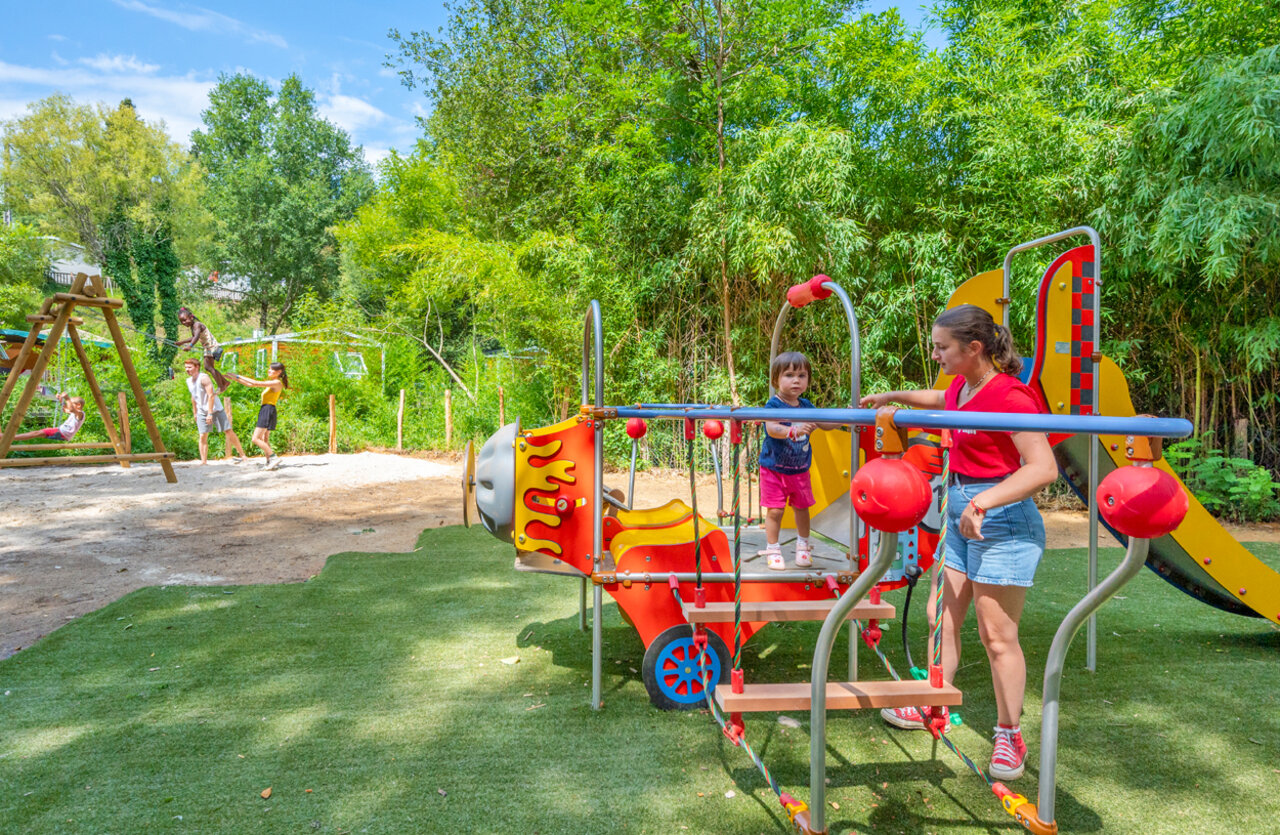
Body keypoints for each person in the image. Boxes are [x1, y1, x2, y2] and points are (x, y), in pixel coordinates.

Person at [859, 304, 1057, 782]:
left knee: (997, 636)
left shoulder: (1012, 397)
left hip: (1001, 519)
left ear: (974, 348)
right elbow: (939, 397)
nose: (935, 354)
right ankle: (933, 699)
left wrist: (984, 502)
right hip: (961, 509)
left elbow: (1043, 469)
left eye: (941, 347)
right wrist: (893, 397)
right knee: (939, 615)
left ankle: (1010, 734)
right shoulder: (963, 386)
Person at [759, 351, 824, 571]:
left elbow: (827, 421)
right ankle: (773, 548)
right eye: (789, 375)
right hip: (774, 468)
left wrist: (847, 416)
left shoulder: (806, 406)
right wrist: (792, 431)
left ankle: (803, 545)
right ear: (776, 379)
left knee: (802, 508)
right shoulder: (774, 406)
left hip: (799, 470)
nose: (796, 380)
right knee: (775, 510)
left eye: (802, 375)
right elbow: (772, 428)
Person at [183, 358, 247, 465]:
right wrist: (195, 412)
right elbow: (193, 397)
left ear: (197, 367)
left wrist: (210, 413)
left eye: (189, 367)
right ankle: (204, 462)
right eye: (185, 367)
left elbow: (211, 396)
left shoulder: (204, 378)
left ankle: (243, 455)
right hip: (201, 411)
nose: (187, 370)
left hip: (215, 409)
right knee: (202, 435)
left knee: (228, 431)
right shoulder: (188, 381)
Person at [227, 362, 287, 470]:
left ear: (279, 372)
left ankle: (273, 457)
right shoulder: (274, 382)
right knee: (264, 438)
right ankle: (269, 461)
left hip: (267, 409)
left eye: (271, 369)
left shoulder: (276, 382)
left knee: (255, 438)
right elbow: (250, 384)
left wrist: (237, 375)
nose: (269, 371)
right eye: (269, 369)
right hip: (268, 409)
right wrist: (234, 378)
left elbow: (254, 382)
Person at [175, 307, 229, 392]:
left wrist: (190, 346)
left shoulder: (197, 325)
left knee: (209, 367)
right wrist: (181, 342)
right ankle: (224, 382)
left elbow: (196, 337)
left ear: (191, 317)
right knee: (209, 367)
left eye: (185, 320)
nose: (183, 323)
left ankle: (221, 386)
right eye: (181, 321)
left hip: (211, 347)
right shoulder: (193, 327)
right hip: (208, 347)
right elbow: (193, 337)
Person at [13, 392, 85, 442]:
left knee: (35, 433)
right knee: (36, 433)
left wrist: (67, 398)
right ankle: (12, 437)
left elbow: (71, 409)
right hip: (61, 433)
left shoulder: (80, 414)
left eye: (71, 404)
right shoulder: (74, 413)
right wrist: (61, 400)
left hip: (61, 433)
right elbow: (66, 409)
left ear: (78, 405)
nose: (69, 404)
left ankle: (11, 437)